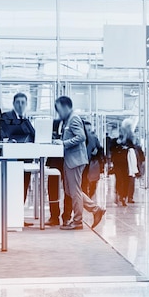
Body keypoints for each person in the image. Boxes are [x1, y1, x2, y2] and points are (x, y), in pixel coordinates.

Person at [53, 96, 105, 230]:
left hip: (75, 160)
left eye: (59, 109)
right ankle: (96, 210)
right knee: (72, 191)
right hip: (71, 160)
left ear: (65, 107)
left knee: (74, 191)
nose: (58, 113)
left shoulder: (74, 118)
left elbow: (81, 137)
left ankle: (77, 221)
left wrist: (63, 143)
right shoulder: (68, 120)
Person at [0, 92, 36, 227]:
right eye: (18, 102)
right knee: (13, 187)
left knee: (24, 187)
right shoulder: (6, 116)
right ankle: (9, 217)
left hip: (25, 159)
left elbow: (34, 135)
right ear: (13, 103)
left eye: (23, 102)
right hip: (13, 159)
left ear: (26, 104)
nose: (20, 105)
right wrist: (9, 140)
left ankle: (18, 216)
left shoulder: (26, 120)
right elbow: (2, 132)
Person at [111, 119, 139, 207]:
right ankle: (120, 195)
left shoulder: (131, 137)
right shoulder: (118, 136)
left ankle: (123, 196)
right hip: (119, 162)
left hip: (127, 162)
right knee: (120, 179)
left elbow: (134, 147)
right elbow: (112, 147)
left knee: (126, 179)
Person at [81, 121, 104, 199]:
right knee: (83, 182)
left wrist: (97, 154)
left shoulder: (94, 138)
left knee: (92, 182)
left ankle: (89, 196)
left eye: (89, 130)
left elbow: (100, 150)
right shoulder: (79, 138)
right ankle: (86, 198)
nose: (88, 132)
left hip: (92, 164)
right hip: (82, 164)